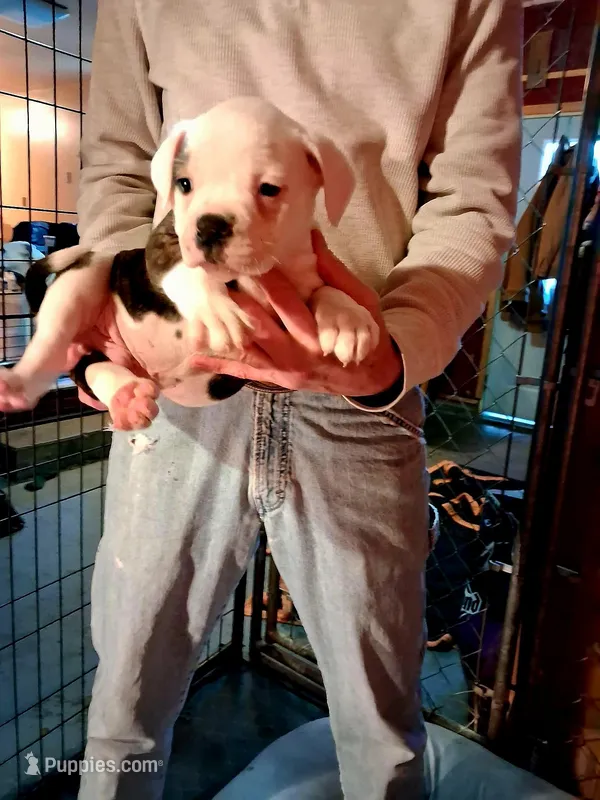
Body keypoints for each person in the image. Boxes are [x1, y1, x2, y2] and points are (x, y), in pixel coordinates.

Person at [73, 1, 522, 798]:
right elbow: (116, 164)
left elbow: (471, 198)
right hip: (183, 378)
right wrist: (125, 308)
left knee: (380, 722)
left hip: (359, 381)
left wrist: (393, 352)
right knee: (125, 699)